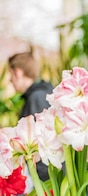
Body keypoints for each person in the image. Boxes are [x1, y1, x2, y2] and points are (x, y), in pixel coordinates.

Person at [8, 52, 53, 181]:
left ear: (18, 72)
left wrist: (39, 182)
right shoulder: (44, 94)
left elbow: (41, 141)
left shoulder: (36, 98)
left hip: (45, 180)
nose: (10, 80)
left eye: (11, 75)